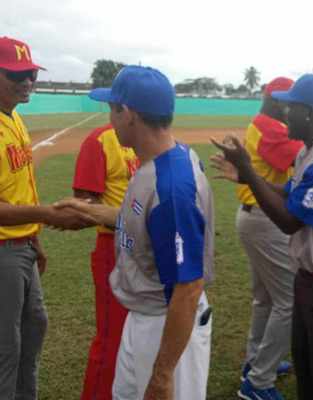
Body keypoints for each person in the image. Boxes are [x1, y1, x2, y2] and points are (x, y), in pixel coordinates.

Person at [211, 74, 313, 400]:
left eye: (292, 107)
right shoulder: (311, 151)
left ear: (310, 112)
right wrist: (248, 174)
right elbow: (289, 193)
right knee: (310, 378)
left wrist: (247, 169)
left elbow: (289, 220)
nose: (285, 113)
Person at [58, 65, 214, 400]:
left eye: (112, 110)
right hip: (144, 314)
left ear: (128, 114)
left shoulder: (172, 189)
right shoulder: (156, 161)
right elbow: (146, 225)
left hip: (168, 324)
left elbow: (187, 287)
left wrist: (163, 375)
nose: (109, 119)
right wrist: (89, 210)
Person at [0, 36, 92, 400]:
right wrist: (48, 214)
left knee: (35, 328)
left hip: (21, 246)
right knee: (6, 348)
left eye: (31, 75)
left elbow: (21, 186)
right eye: (15, 75)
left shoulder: (14, 119)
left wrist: (35, 238)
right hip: (3, 251)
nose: (26, 83)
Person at [235, 77, 299, 400]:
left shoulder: (264, 123)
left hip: (256, 216)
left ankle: (255, 362)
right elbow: (296, 157)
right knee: (289, 299)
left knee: (266, 298)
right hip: (265, 219)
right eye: (286, 101)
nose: (290, 107)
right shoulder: (268, 125)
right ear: (273, 100)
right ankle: (259, 381)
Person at [73, 123, 139, 400]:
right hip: (113, 247)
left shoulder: (141, 137)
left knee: (136, 335)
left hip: (141, 249)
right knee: (113, 337)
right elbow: (83, 203)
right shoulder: (99, 140)